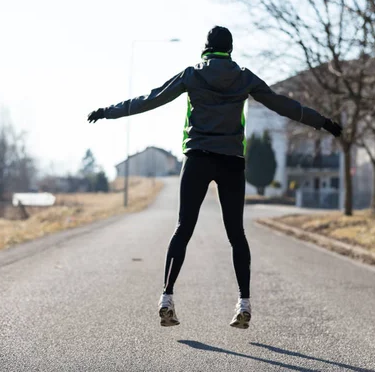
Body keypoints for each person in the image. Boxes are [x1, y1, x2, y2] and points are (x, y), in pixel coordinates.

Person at [87, 26, 342, 329]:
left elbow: (150, 99)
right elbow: (284, 104)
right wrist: (323, 122)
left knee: (183, 228)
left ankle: (166, 298)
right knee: (237, 234)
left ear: (206, 48)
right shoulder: (245, 76)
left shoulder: (192, 75)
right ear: (231, 49)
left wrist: (108, 112)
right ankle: (244, 303)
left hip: (197, 158)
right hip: (231, 161)